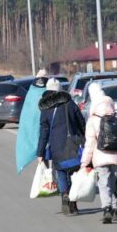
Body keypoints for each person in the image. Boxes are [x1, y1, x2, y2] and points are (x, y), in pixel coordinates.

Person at [80, 83, 117, 224]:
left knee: (104, 184)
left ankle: (107, 208)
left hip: (100, 157)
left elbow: (90, 144)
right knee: (114, 182)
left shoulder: (92, 120)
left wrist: (84, 163)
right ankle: (115, 209)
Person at [36, 78, 86, 216]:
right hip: (73, 144)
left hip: (56, 146)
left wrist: (40, 152)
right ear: (60, 89)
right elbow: (81, 122)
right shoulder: (70, 103)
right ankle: (73, 203)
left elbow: (43, 132)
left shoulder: (45, 108)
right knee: (75, 173)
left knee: (61, 172)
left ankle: (64, 194)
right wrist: (85, 138)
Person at [15, 69, 49, 174]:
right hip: (49, 131)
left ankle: (48, 181)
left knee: (43, 159)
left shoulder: (32, 92)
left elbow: (27, 115)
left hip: (40, 132)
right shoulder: (47, 90)